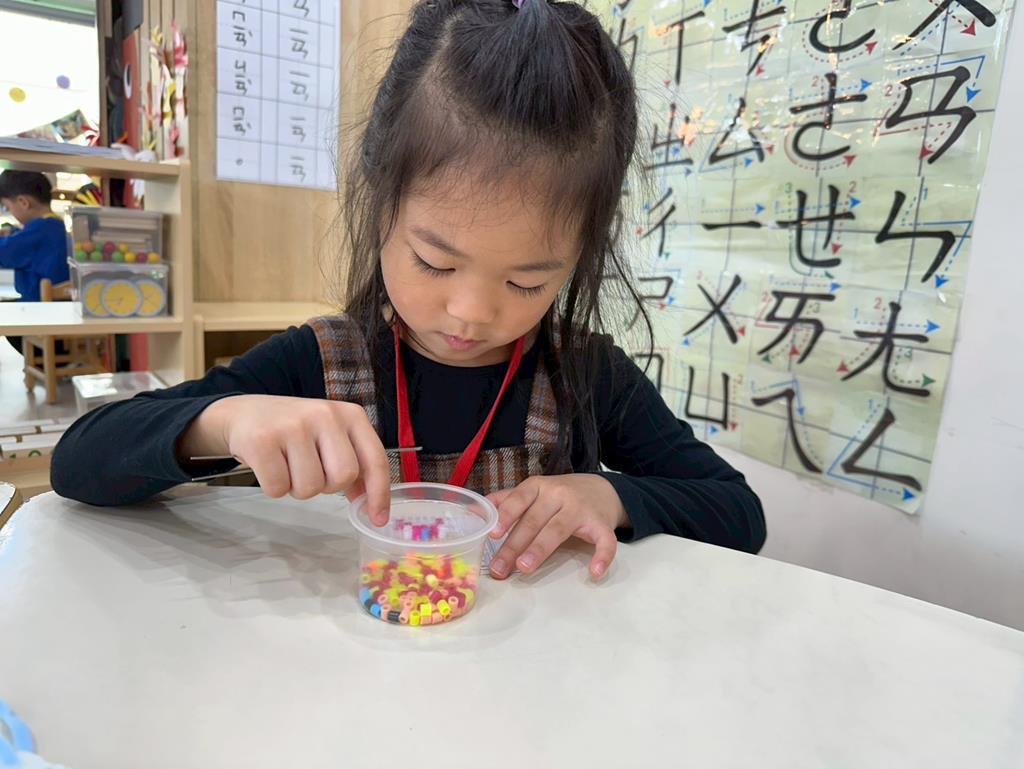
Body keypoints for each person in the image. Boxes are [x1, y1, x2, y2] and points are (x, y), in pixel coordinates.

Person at [52, 0, 765, 579]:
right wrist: (224, 421)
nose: (472, 312)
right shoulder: (320, 362)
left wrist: (610, 494)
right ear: (380, 203)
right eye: (434, 262)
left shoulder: (588, 375)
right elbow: (78, 462)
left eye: (528, 280)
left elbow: (738, 512)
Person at [0, 170, 70, 353]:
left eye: (7, 207)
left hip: (42, 316)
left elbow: (5, 253)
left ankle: (44, 362)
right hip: (62, 312)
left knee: (7, 319)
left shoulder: (38, 231)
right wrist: (13, 233)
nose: (9, 212)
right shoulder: (55, 225)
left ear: (24, 202)